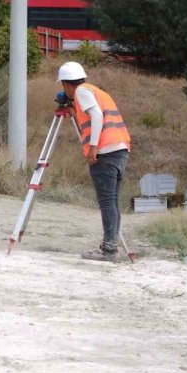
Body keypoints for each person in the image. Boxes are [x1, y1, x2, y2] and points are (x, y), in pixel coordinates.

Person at [58, 62, 131, 261]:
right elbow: (94, 117)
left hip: (105, 152)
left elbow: (97, 115)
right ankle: (111, 246)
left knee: (107, 202)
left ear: (65, 84)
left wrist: (93, 147)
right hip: (120, 149)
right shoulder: (96, 91)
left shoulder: (81, 91)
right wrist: (75, 113)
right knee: (112, 201)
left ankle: (109, 250)